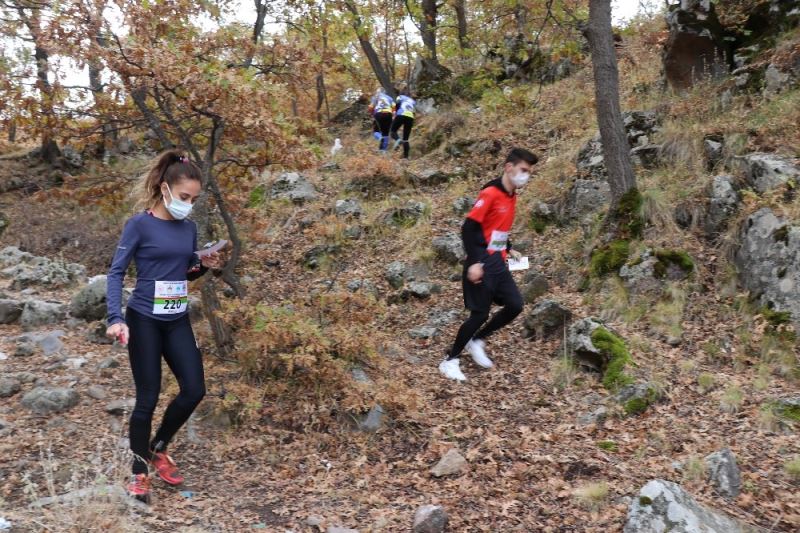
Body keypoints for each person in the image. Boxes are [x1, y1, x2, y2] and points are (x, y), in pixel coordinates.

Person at [105, 149, 224, 502]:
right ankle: (139, 473)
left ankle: (158, 448)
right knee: (148, 399)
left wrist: (205, 264)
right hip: (144, 320)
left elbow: (185, 271)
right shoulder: (139, 225)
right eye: (184, 196)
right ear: (164, 188)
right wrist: (115, 317)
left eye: (194, 199)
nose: (189, 204)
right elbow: (116, 272)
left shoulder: (188, 227)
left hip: (176, 319)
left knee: (194, 390)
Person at [439, 148, 539, 382]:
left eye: (529, 172)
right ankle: (450, 360)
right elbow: (469, 228)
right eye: (523, 170)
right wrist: (474, 262)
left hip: (498, 262)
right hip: (481, 262)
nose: (526, 175)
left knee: (515, 305)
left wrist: (509, 247)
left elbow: (497, 225)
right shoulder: (491, 193)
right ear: (509, 168)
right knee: (479, 314)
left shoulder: (511, 194)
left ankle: (477, 340)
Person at [390, 89, 416, 159]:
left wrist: (394, 114)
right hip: (410, 117)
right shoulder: (413, 101)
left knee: (392, 131)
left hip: (401, 114)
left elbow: (397, 105)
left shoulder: (400, 97)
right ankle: (406, 158)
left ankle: (398, 140)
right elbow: (414, 112)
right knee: (406, 139)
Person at [368, 86, 395, 152]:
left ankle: (380, 138)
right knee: (386, 133)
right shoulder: (390, 98)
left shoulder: (376, 97)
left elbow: (371, 107)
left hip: (379, 113)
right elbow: (394, 108)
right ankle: (383, 151)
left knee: (376, 131)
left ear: (378, 91)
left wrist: (372, 113)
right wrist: (393, 117)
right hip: (388, 114)